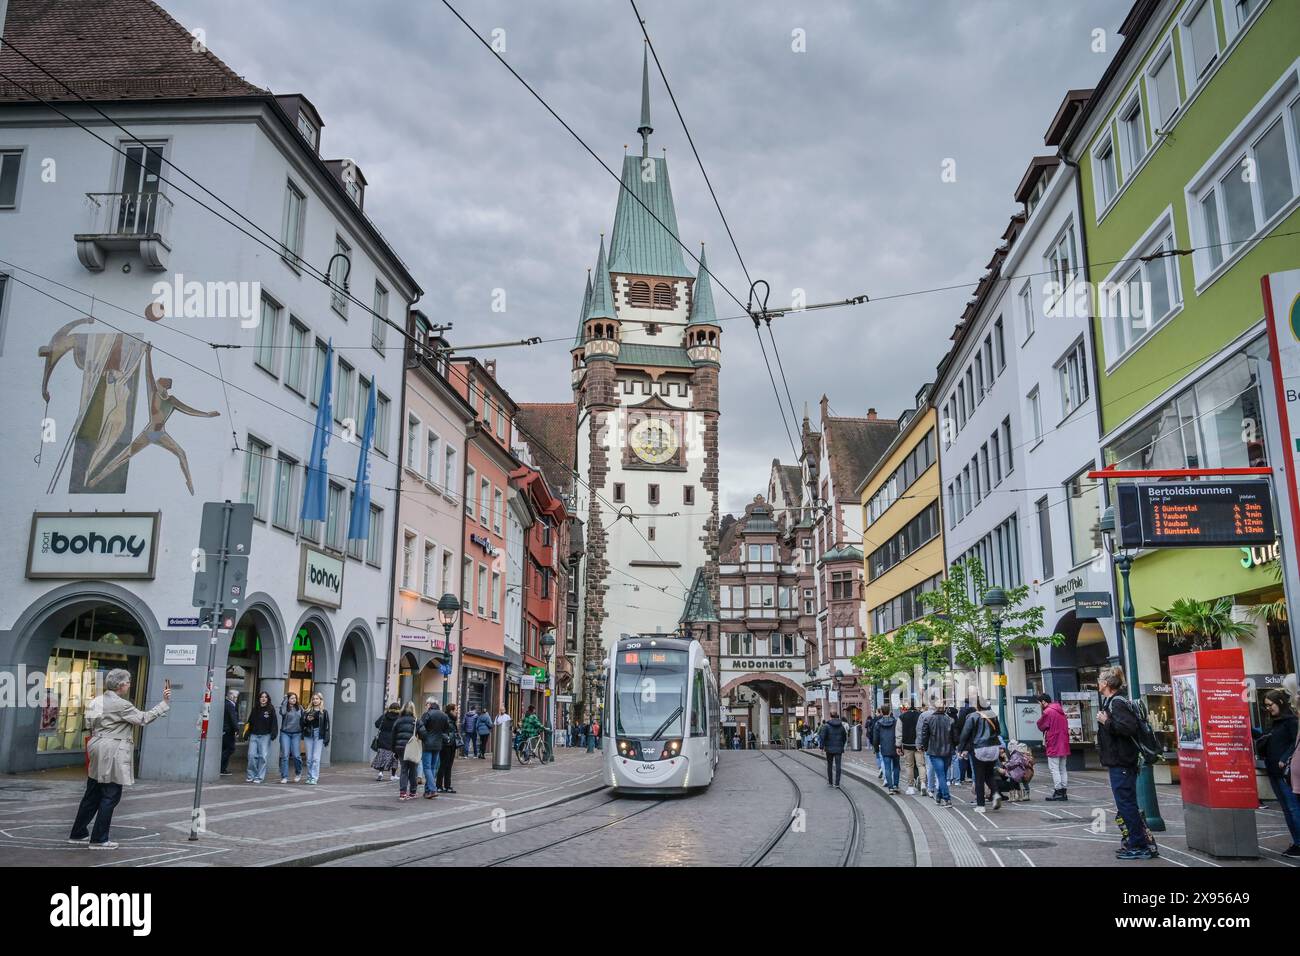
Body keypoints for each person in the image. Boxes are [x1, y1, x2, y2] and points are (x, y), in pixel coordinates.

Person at [68, 669, 170, 849]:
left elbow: (89, 724)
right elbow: (143, 718)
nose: (130, 684)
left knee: (92, 792)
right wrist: (164, 703)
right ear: (121, 685)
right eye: (128, 682)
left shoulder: (96, 701)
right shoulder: (122, 705)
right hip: (113, 748)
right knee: (110, 794)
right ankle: (99, 839)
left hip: (95, 744)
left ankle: (78, 832)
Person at [1097, 665, 1158, 860]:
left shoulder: (1117, 703)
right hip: (1120, 761)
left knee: (1127, 804)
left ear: (1106, 683)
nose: (1097, 684)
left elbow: (1127, 728)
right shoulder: (1112, 701)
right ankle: (1135, 841)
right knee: (1126, 803)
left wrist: (1105, 722)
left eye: (1099, 680)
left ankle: (1138, 844)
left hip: (1122, 761)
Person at [1253, 689, 1299, 856]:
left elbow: (1296, 743)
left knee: (1293, 808)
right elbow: (1264, 738)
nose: (1268, 709)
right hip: (1273, 770)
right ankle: (1296, 842)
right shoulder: (1273, 723)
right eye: (1266, 706)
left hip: (1285, 772)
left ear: (1279, 703)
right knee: (1287, 809)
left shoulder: (1291, 722)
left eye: (1270, 705)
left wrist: (1285, 757)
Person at [957, 698, 1002, 813]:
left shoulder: (973, 716)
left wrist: (960, 748)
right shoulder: (993, 715)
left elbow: (965, 734)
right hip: (993, 748)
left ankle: (981, 805)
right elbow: (999, 732)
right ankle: (995, 793)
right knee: (989, 773)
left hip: (979, 748)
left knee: (979, 776)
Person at [919, 701, 955, 807]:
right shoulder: (950, 720)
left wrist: (925, 747)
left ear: (934, 708)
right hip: (948, 750)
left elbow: (924, 736)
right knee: (942, 775)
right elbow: (955, 737)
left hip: (934, 751)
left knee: (941, 775)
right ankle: (939, 797)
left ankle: (947, 798)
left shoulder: (928, 719)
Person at [1036, 693, 1071, 801]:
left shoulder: (1048, 712)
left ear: (1043, 702)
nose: (1039, 706)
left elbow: (1041, 725)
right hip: (1064, 742)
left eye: (1039, 703)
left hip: (1054, 743)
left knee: (1054, 768)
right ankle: (1064, 791)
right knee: (1062, 768)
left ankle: (1058, 790)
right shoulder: (1060, 710)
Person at [418, 699, 451, 799]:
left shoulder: (427, 714)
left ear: (430, 705)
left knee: (427, 768)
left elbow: (421, 727)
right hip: (438, 744)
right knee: (432, 768)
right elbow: (446, 729)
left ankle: (432, 789)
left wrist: (424, 737)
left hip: (428, 744)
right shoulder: (444, 715)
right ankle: (428, 791)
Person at [244, 691, 278, 784]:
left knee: (262, 757)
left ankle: (259, 777)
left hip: (265, 736)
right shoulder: (255, 708)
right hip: (254, 735)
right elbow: (250, 721)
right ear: (259, 698)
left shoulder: (271, 709)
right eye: (261, 697)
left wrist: (274, 733)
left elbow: (274, 722)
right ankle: (251, 775)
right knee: (251, 756)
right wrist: (247, 733)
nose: (263, 699)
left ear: (268, 699)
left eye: (265, 697)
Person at [301, 692, 330, 785]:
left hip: (319, 735)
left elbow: (327, 726)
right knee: (309, 759)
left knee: (316, 758)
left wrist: (326, 738)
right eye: (313, 699)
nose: (315, 700)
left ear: (321, 700)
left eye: (317, 699)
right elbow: (302, 723)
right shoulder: (307, 711)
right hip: (308, 734)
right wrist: (306, 720)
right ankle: (309, 777)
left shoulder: (324, 712)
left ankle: (314, 777)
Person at [898, 700, 925, 796]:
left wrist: (898, 746)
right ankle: (923, 784)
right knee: (921, 765)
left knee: (909, 765)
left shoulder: (902, 717)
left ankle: (910, 787)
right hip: (919, 745)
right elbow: (923, 730)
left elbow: (899, 733)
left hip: (907, 745)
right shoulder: (921, 715)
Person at [392, 702, 419, 800]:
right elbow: (423, 733)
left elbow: (393, 736)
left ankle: (403, 793)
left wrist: (393, 750)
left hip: (400, 748)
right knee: (413, 769)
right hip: (411, 747)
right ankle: (413, 792)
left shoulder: (398, 721)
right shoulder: (415, 721)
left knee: (404, 769)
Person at [871, 705, 900, 794]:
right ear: (889, 711)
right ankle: (896, 785)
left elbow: (875, 738)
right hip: (895, 747)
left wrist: (876, 748)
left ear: (882, 712)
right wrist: (899, 746)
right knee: (896, 767)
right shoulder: (895, 722)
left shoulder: (878, 723)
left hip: (884, 747)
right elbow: (899, 734)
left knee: (887, 768)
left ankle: (890, 788)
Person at [278, 692, 304, 784]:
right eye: (292, 698)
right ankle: (284, 776)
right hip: (285, 733)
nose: (294, 700)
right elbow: (283, 712)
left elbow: (303, 720)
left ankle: (298, 773)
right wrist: (285, 700)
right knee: (285, 755)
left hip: (296, 734)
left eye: (295, 698)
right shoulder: (285, 707)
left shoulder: (300, 708)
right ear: (288, 699)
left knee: (296, 755)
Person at [372, 701, 401, 781]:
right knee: (394, 757)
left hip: (383, 738)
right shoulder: (399, 717)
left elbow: (377, 724)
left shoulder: (385, 716)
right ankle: (393, 775)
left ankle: (380, 773)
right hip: (393, 739)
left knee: (382, 756)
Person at [818, 711, 847, 787]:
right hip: (838, 748)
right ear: (837, 716)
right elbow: (844, 737)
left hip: (829, 748)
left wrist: (821, 747)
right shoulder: (841, 726)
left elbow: (822, 737)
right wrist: (842, 745)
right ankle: (837, 783)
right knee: (838, 766)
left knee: (829, 765)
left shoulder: (826, 726)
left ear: (830, 716)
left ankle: (830, 782)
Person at [438, 704, 460, 793]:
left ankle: (447, 786)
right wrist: (446, 738)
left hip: (452, 745)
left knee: (449, 766)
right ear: (451, 710)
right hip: (446, 745)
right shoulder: (445, 718)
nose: (457, 712)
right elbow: (440, 731)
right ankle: (439, 786)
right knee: (443, 765)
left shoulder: (453, 720)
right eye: (455, 710)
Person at [954, 695, 976, 784]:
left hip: (968, 741)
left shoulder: (963, 709)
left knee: (967, 761)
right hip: (978, 742)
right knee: (976, 766)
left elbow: (961, 726)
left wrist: (960, 746)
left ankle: (963, 778)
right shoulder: (978, 710)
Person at [220, 689, 239, 776]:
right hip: (228, 730)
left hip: (225, 730)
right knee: (230, 748)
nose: (236, 699)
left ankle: (222, 769)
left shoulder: (226, 703)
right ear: (231, 696)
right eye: (235, 697)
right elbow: (233, 718)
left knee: (225, 749)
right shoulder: (230, 705)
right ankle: (220, 766)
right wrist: (237, 729)